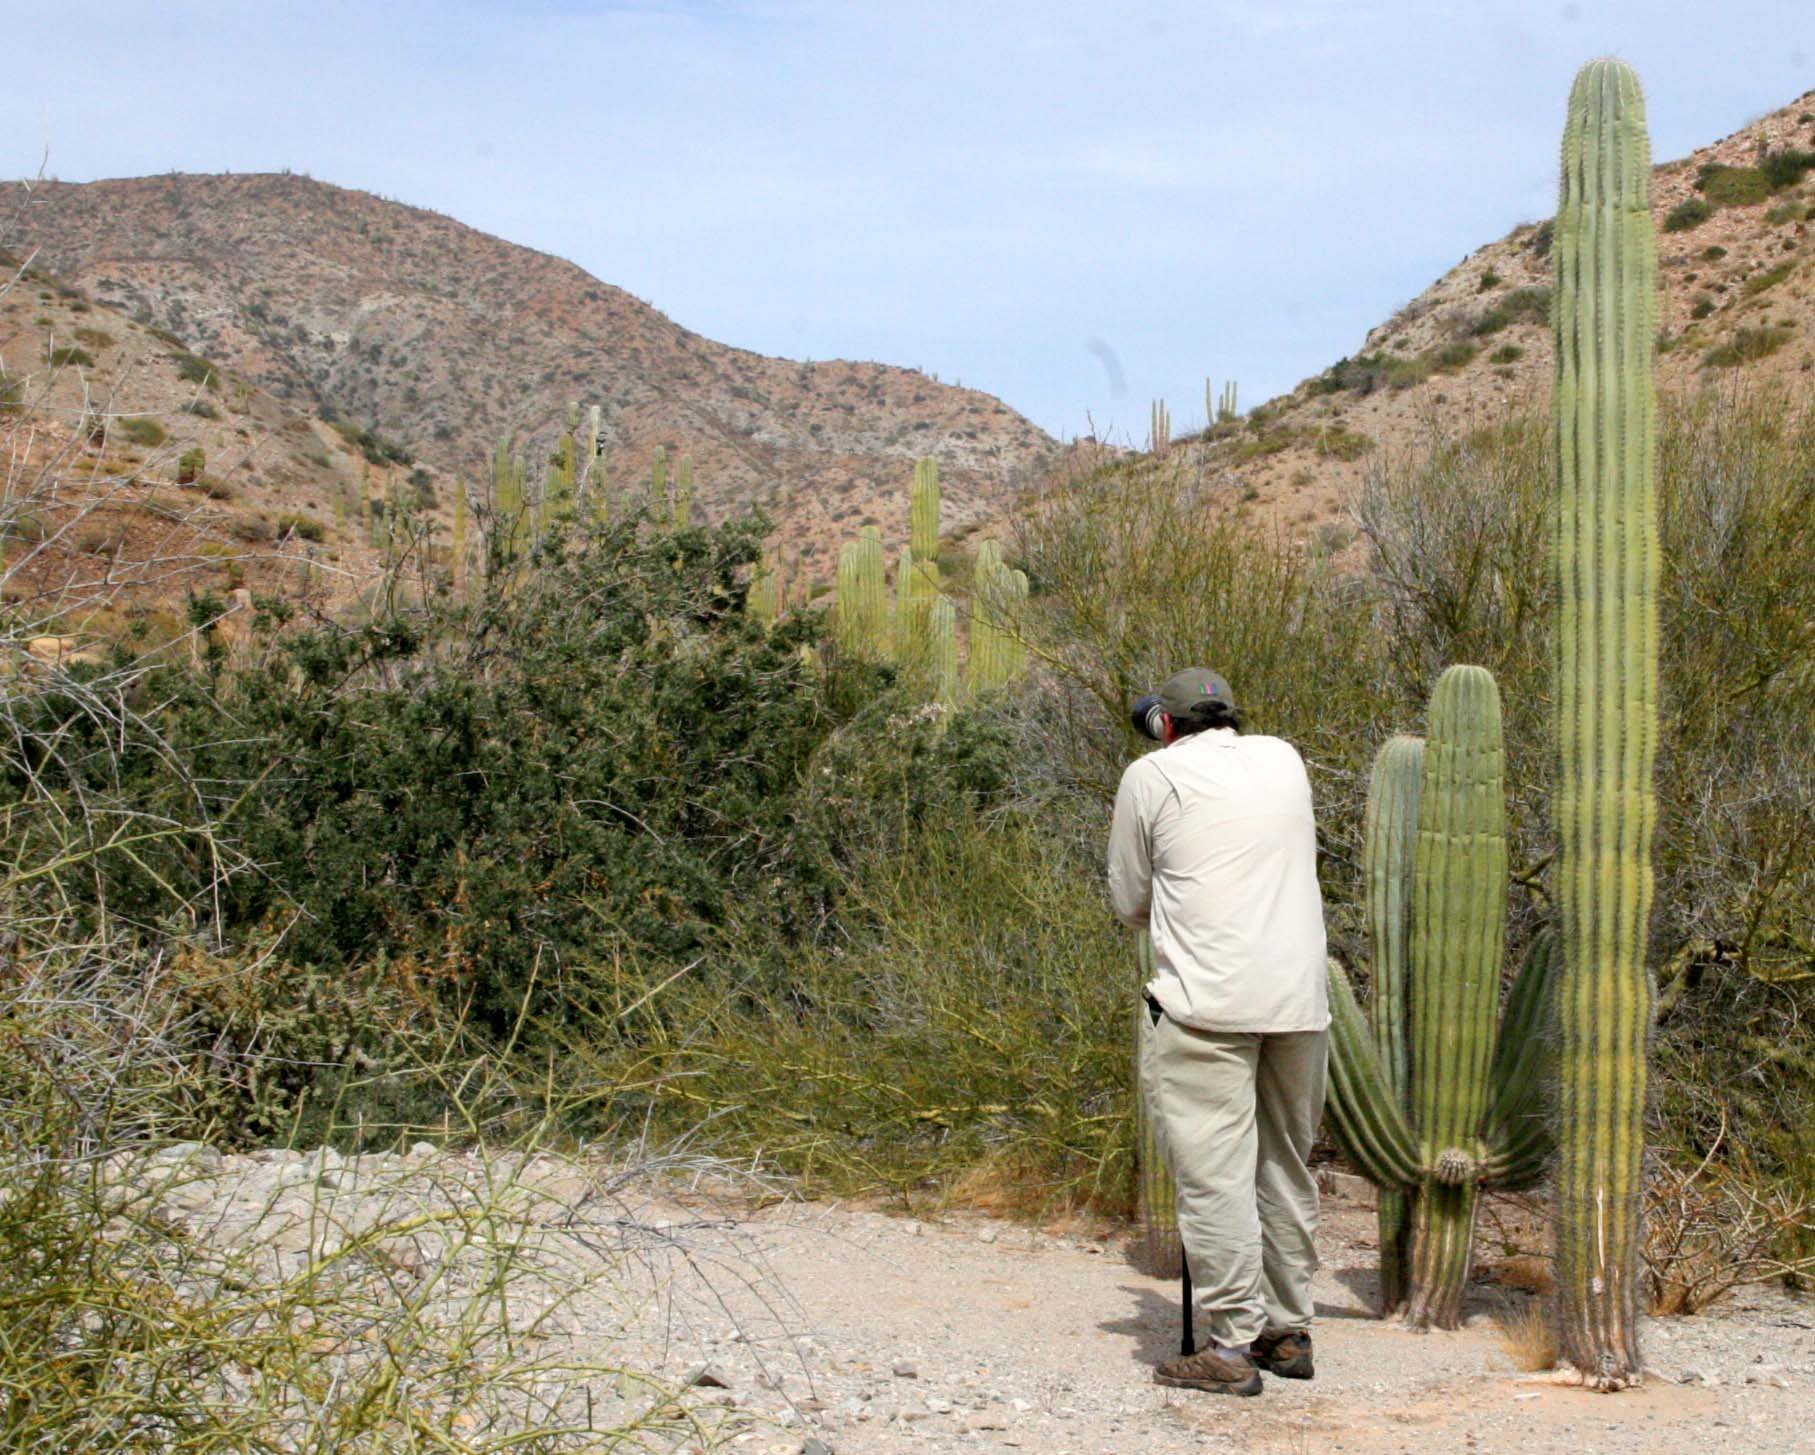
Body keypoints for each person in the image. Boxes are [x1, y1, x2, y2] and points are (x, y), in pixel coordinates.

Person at [1107, 668, 1329, 1398]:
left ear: (1167, 725)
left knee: (1214, 1177)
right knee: (1284, 1165)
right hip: (1299, 1003)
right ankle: (1286, 1330)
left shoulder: (1149, 776)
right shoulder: (1284, 758)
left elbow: (1129, 899)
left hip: (1206, 1005)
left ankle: (1229, 1345)